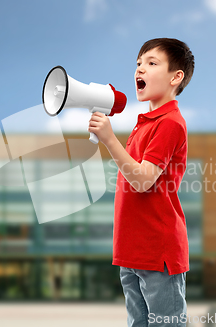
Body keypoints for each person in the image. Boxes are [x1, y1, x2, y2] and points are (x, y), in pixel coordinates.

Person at [88, 37, 195, 326]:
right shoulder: (145, 123)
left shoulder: (170, 123)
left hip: (157, 251)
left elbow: (143, 181)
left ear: (176, 77)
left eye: (151, 63)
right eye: (138, 64)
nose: (140, 70)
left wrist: (109, 140)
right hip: (131, 251)